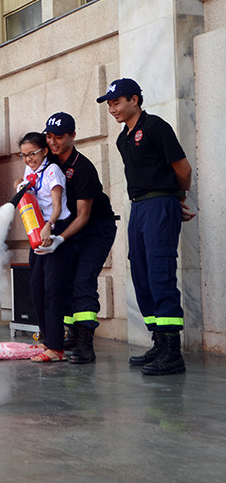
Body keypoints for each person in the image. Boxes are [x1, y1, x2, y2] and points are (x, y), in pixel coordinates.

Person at [98, 78, 194, 375]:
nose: (112, 108)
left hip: (159, 205)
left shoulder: (156, 127)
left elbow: (183, 169)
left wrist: (176, 197)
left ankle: (172, 351)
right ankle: (158, 343)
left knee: (159, 270)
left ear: (134, 100)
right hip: (138, 206)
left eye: (116, 102)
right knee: (140, 271)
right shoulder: (122, 139)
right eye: (110, 104)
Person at [41, 112, 117, 365]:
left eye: (59, 137)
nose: (53, 142)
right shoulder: (49, 161)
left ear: (73, 136)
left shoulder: (82, 168)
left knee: (83, 282)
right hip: (68, 229)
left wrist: (60, 239)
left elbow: (83, 216)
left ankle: (85, 344)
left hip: (95, 229)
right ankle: (72, 334)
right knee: (64, 281)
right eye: (49, 137)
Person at [16, 132, 73, 363]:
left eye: (33, 154)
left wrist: (50, 227)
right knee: (36, 286)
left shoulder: (53, 171)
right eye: (24, 155)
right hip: (37, 231)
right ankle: (46, 339)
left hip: (54, 229)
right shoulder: (30, 171)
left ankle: (57, 347)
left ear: (45, 151)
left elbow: (58, 206)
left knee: (52, 290)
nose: (29, 159)